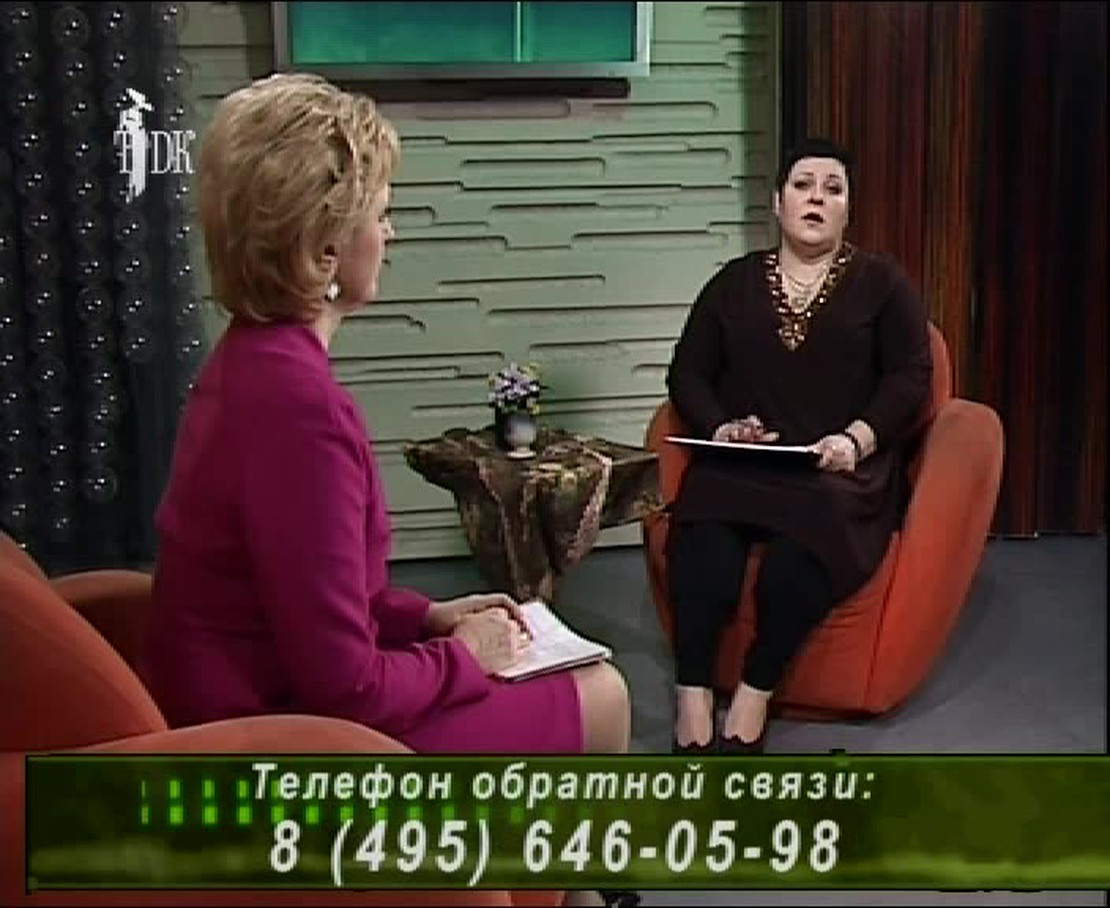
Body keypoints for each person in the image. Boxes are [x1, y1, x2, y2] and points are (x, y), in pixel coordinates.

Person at [142, 73, 630, 762]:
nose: (389, 232)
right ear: (326, 248)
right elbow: (347, 689)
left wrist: (426, 618)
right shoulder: (299, 410)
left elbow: (310, 597)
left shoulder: (247, 361)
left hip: (252, 693)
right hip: (271, 732)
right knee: (602, 692)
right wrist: (465, 656)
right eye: (379, 213)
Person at [665, 137, 932, 754]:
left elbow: (910, 375)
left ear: (848, 208)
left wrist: (857, 438)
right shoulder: (733, 282)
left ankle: (755, 691)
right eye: (803, 185)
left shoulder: (883, 283)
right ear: (776, 201)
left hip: (836, 471)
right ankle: (692, 692)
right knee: (704, 539)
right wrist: (721, 428)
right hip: (744, 462)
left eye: (832, 189)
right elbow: (688, 372)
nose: (817, 199)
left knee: (799, 553)